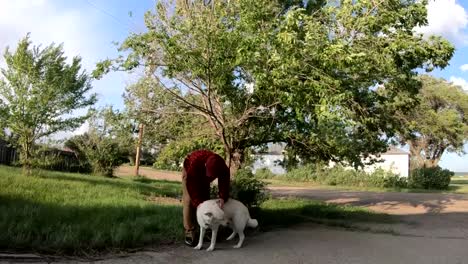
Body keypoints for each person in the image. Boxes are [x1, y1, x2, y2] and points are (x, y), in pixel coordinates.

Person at [181, 149, 231, 246]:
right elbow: (192, 186)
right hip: (190, 173)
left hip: (202, 176)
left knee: (206, 200)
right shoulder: (194, 163)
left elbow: (224, 181)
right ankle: (189, 230)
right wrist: (197, 202)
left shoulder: (222, 166)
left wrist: (222, 197)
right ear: (205, 165)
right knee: (189, 201)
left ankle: (207, 228)